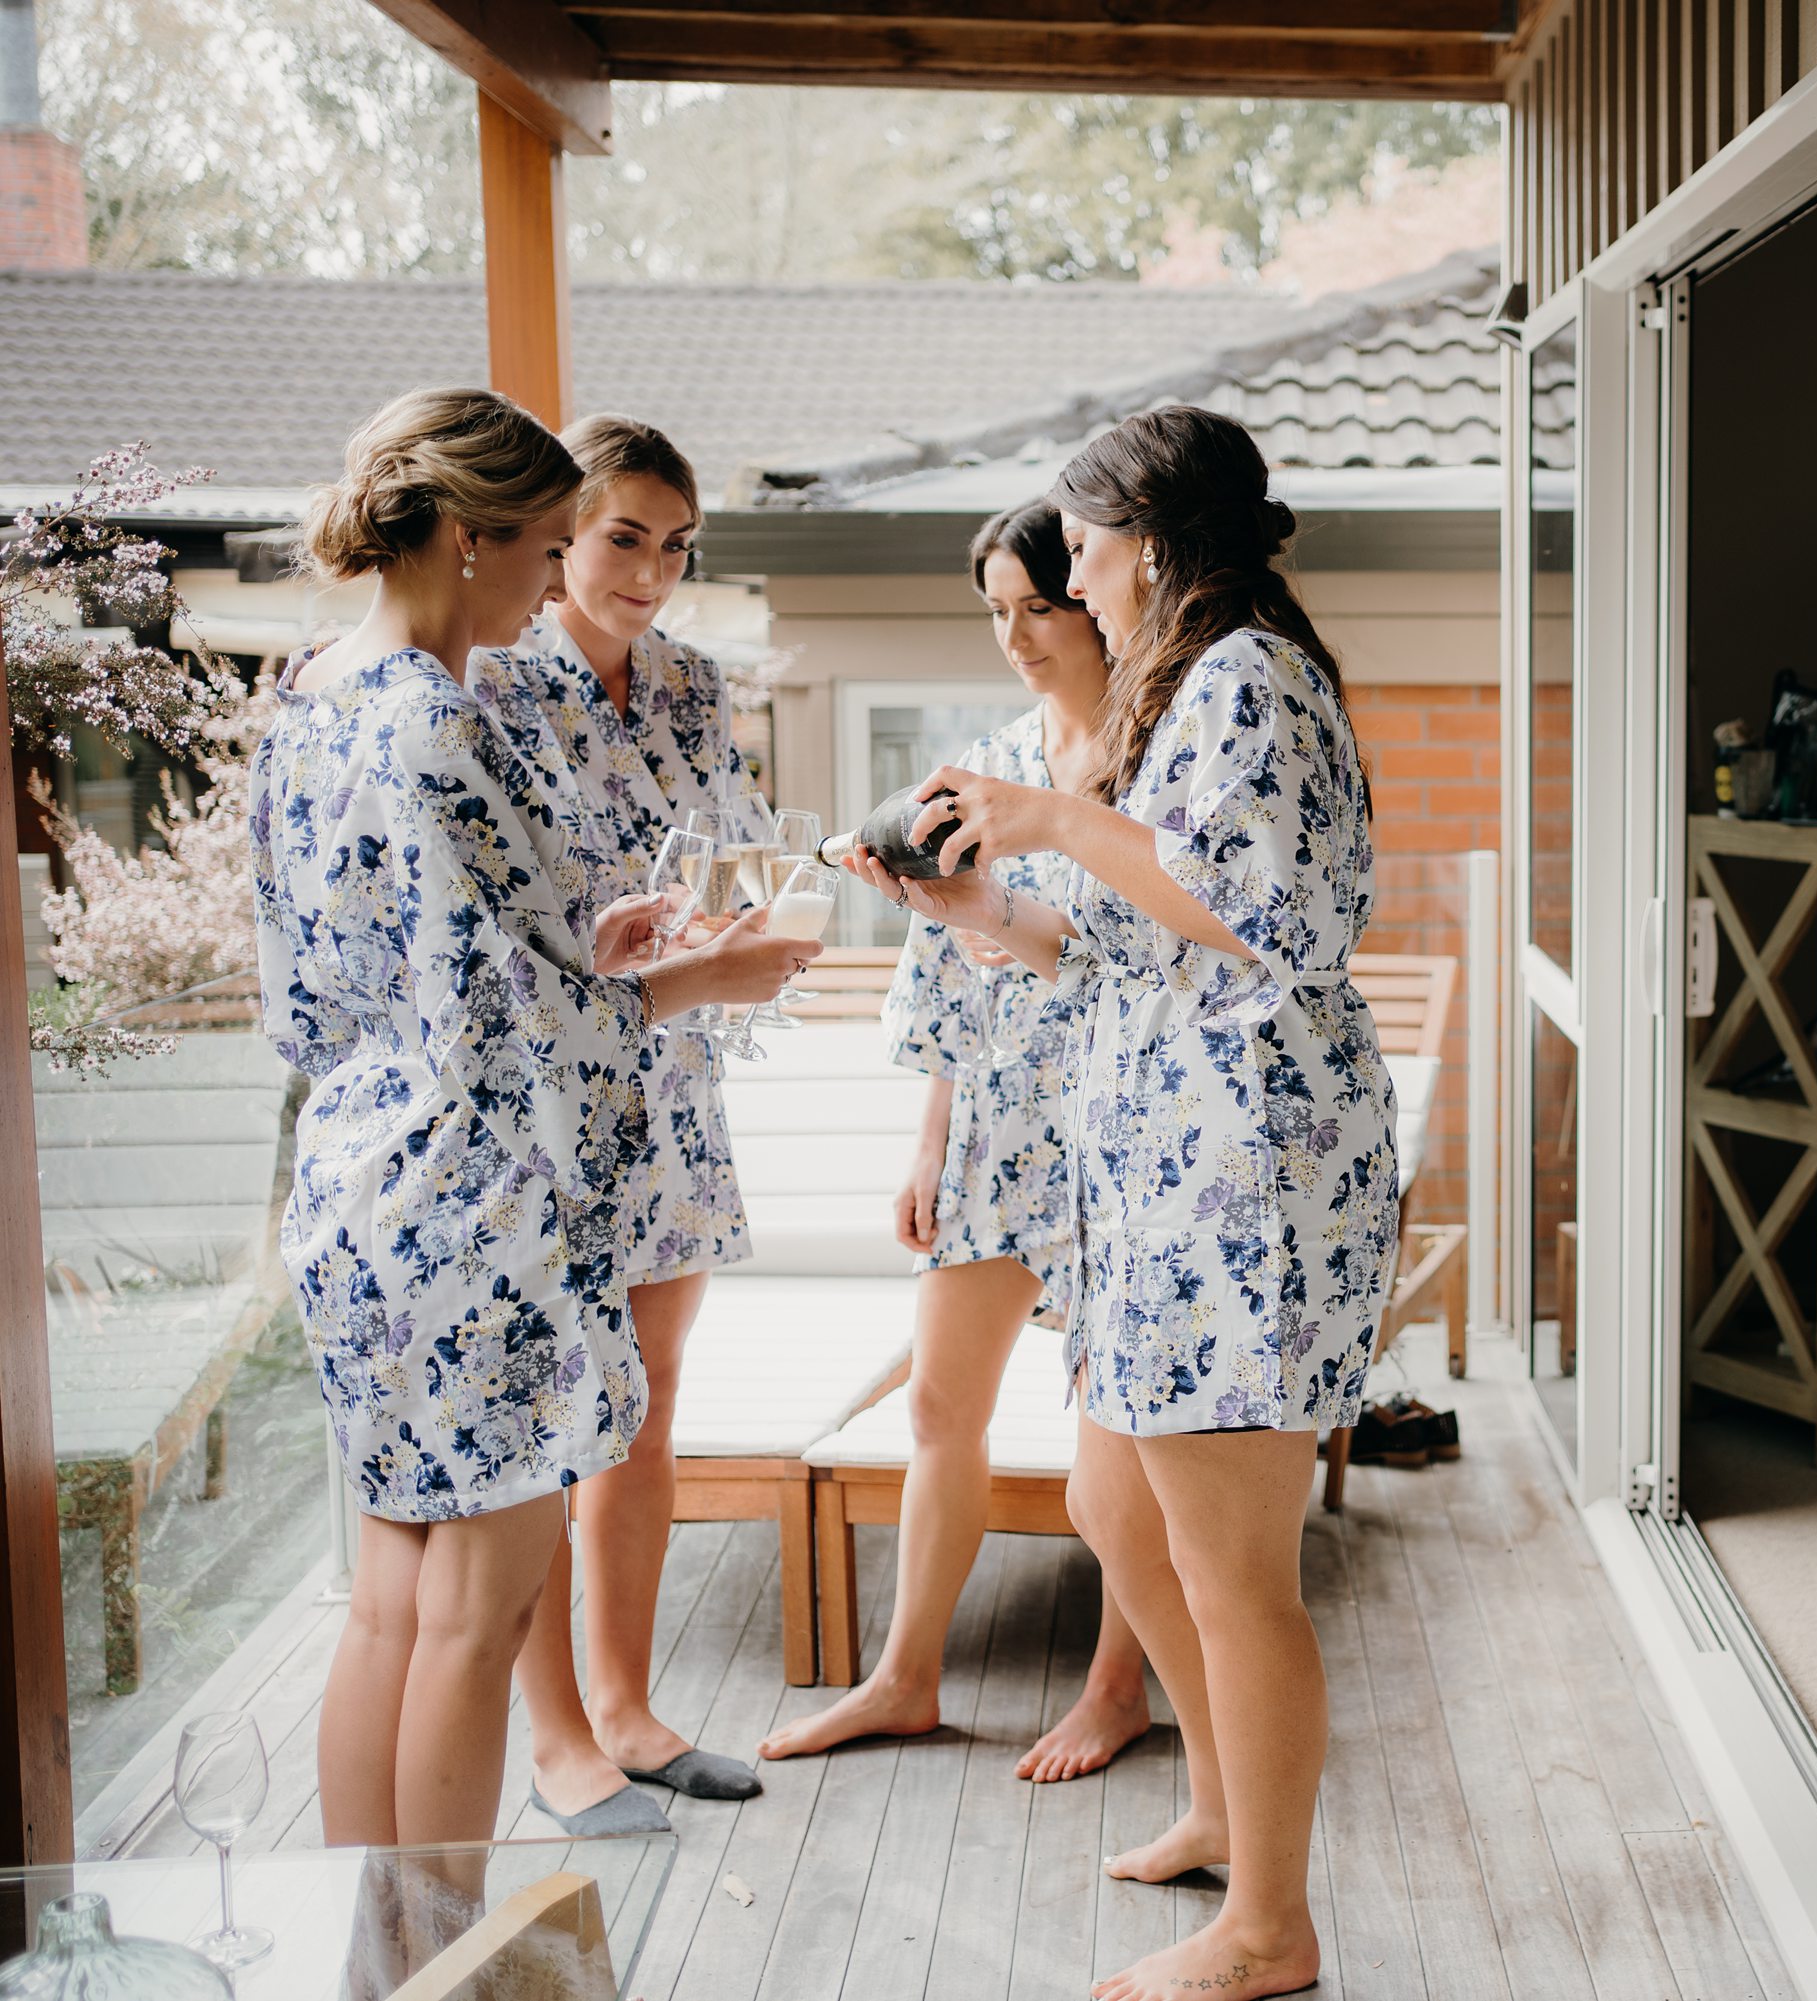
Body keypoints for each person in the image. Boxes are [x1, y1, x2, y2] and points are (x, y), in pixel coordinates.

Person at [843, 407, 1394, 2001]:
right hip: (1168, 1171)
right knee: (1121, 1506)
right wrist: (975, 903)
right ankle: (1227, 1816)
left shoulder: (1246, 681)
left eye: (1078, 551)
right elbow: (1115, 943)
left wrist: (1060, 816)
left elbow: (1259, 917)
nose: (1069, 581)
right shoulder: (1193, 687)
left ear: (1146, 540)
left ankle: (1272, 1931)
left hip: (1244, 1175)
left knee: (1236, 1572)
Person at [247, 388, 817, 1867]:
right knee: (476, 1614)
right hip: (474, 1207)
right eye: (552, 542)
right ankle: (438, 1952)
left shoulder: (310, 696)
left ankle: (375, 1953)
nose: (556, 574)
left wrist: (586, 947)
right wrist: (698, 975)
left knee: (389, 1604)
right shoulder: (442, 723)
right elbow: (509, 1037)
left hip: (353, 1187)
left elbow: (317, 996)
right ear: (465, 533)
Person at [758, 502, 1154, 1778]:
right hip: (994, 1126)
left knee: (1120, 1433)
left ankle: (1115, 1687)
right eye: (997, 611)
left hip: (1123, 1136)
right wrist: (930, 1141)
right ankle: (905, 1678)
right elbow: (945, 956)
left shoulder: (1158, 764)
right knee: (941, 1402)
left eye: (1038, 603)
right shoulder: (982, 759)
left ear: (1094, 593)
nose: (1018, 635)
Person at [470, 417, 769, 1830]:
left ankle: (633, 1709)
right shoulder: (489, 681)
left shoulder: (698, 689)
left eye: (673, 544)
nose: (651, 571)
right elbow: (507, 932)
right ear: (563, 534)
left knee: (643, 1415)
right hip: (545, 1099)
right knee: (552, 1422)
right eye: (623, 538)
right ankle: (557, 1737)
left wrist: (741, 922)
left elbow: (731, 839)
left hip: (672, 1085)